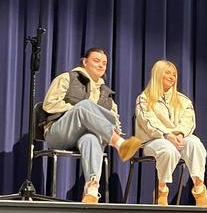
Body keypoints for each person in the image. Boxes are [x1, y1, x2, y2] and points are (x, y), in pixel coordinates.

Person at [41, 47, 141, 203]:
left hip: (83, 136)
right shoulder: (67, 78)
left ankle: (92, 189)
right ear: (84, 62)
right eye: (96, 61)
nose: (101, 65)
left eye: (104, 63)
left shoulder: (107, 94)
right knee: (85, 106)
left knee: (91, 138)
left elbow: (114, 120)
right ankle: (119, 144)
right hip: (59, 132)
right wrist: (77, 111)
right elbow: (49, 104)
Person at [134, 60, 207, 207]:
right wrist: (168, 135)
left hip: (179, 137)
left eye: (174, 74)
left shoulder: (183, 100)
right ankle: (161, 189)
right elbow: (148, 122)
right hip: (153, 140)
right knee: (168, 150)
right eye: (167, 73)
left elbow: (189, 121)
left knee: (195, 144)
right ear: (157, 74)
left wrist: (180, 134)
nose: (171, 77)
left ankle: (199, 189)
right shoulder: (144, 99)